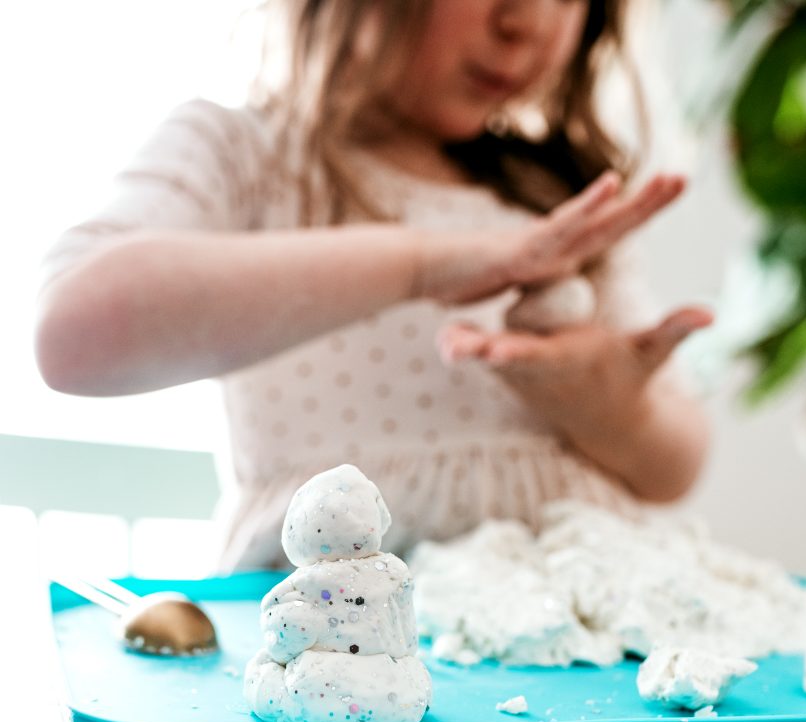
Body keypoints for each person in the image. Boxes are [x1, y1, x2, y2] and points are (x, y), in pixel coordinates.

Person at [34, 0, 712, 570]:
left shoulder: (559, 198)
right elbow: (73, 333)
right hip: (337, 634)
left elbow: (675, 468)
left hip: (589, 624)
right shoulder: (245, 159)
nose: (527, 20)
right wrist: (420, 265)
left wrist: (612, 409)